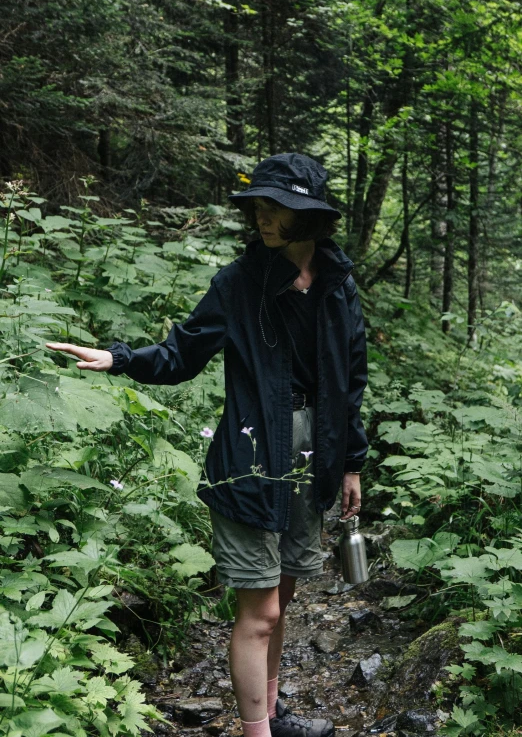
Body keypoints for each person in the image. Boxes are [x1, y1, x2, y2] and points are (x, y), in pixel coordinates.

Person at [46, 152, 368, 737]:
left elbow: (351, 378)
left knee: (285, 594)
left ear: (308, 217)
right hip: (251, 455)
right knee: (261, 610)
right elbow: (181, 354)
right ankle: (256, 732)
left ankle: (271, 710)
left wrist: (351, 464)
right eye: (258, 209)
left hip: (314, 451)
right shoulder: (238, 283)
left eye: (274, 209)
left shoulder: (337, 284)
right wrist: (118, 358)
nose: (261, 220)